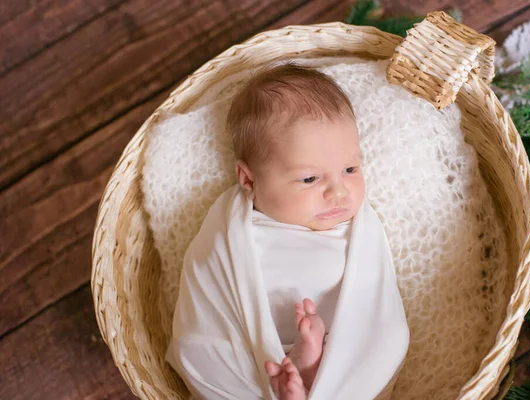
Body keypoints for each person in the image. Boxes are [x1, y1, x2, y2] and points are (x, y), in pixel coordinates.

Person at [167, 63, 409, 400]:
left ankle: (315, 373)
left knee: (391, 336)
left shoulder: (358, 230)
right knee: (198, 349)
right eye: (310, 179)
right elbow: (207, 280)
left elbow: (374, 296)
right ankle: (283, 381)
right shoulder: (232, 227)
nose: (337, 192)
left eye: (350, 168)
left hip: (340, 343)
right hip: (247, 349)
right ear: (249, 180)